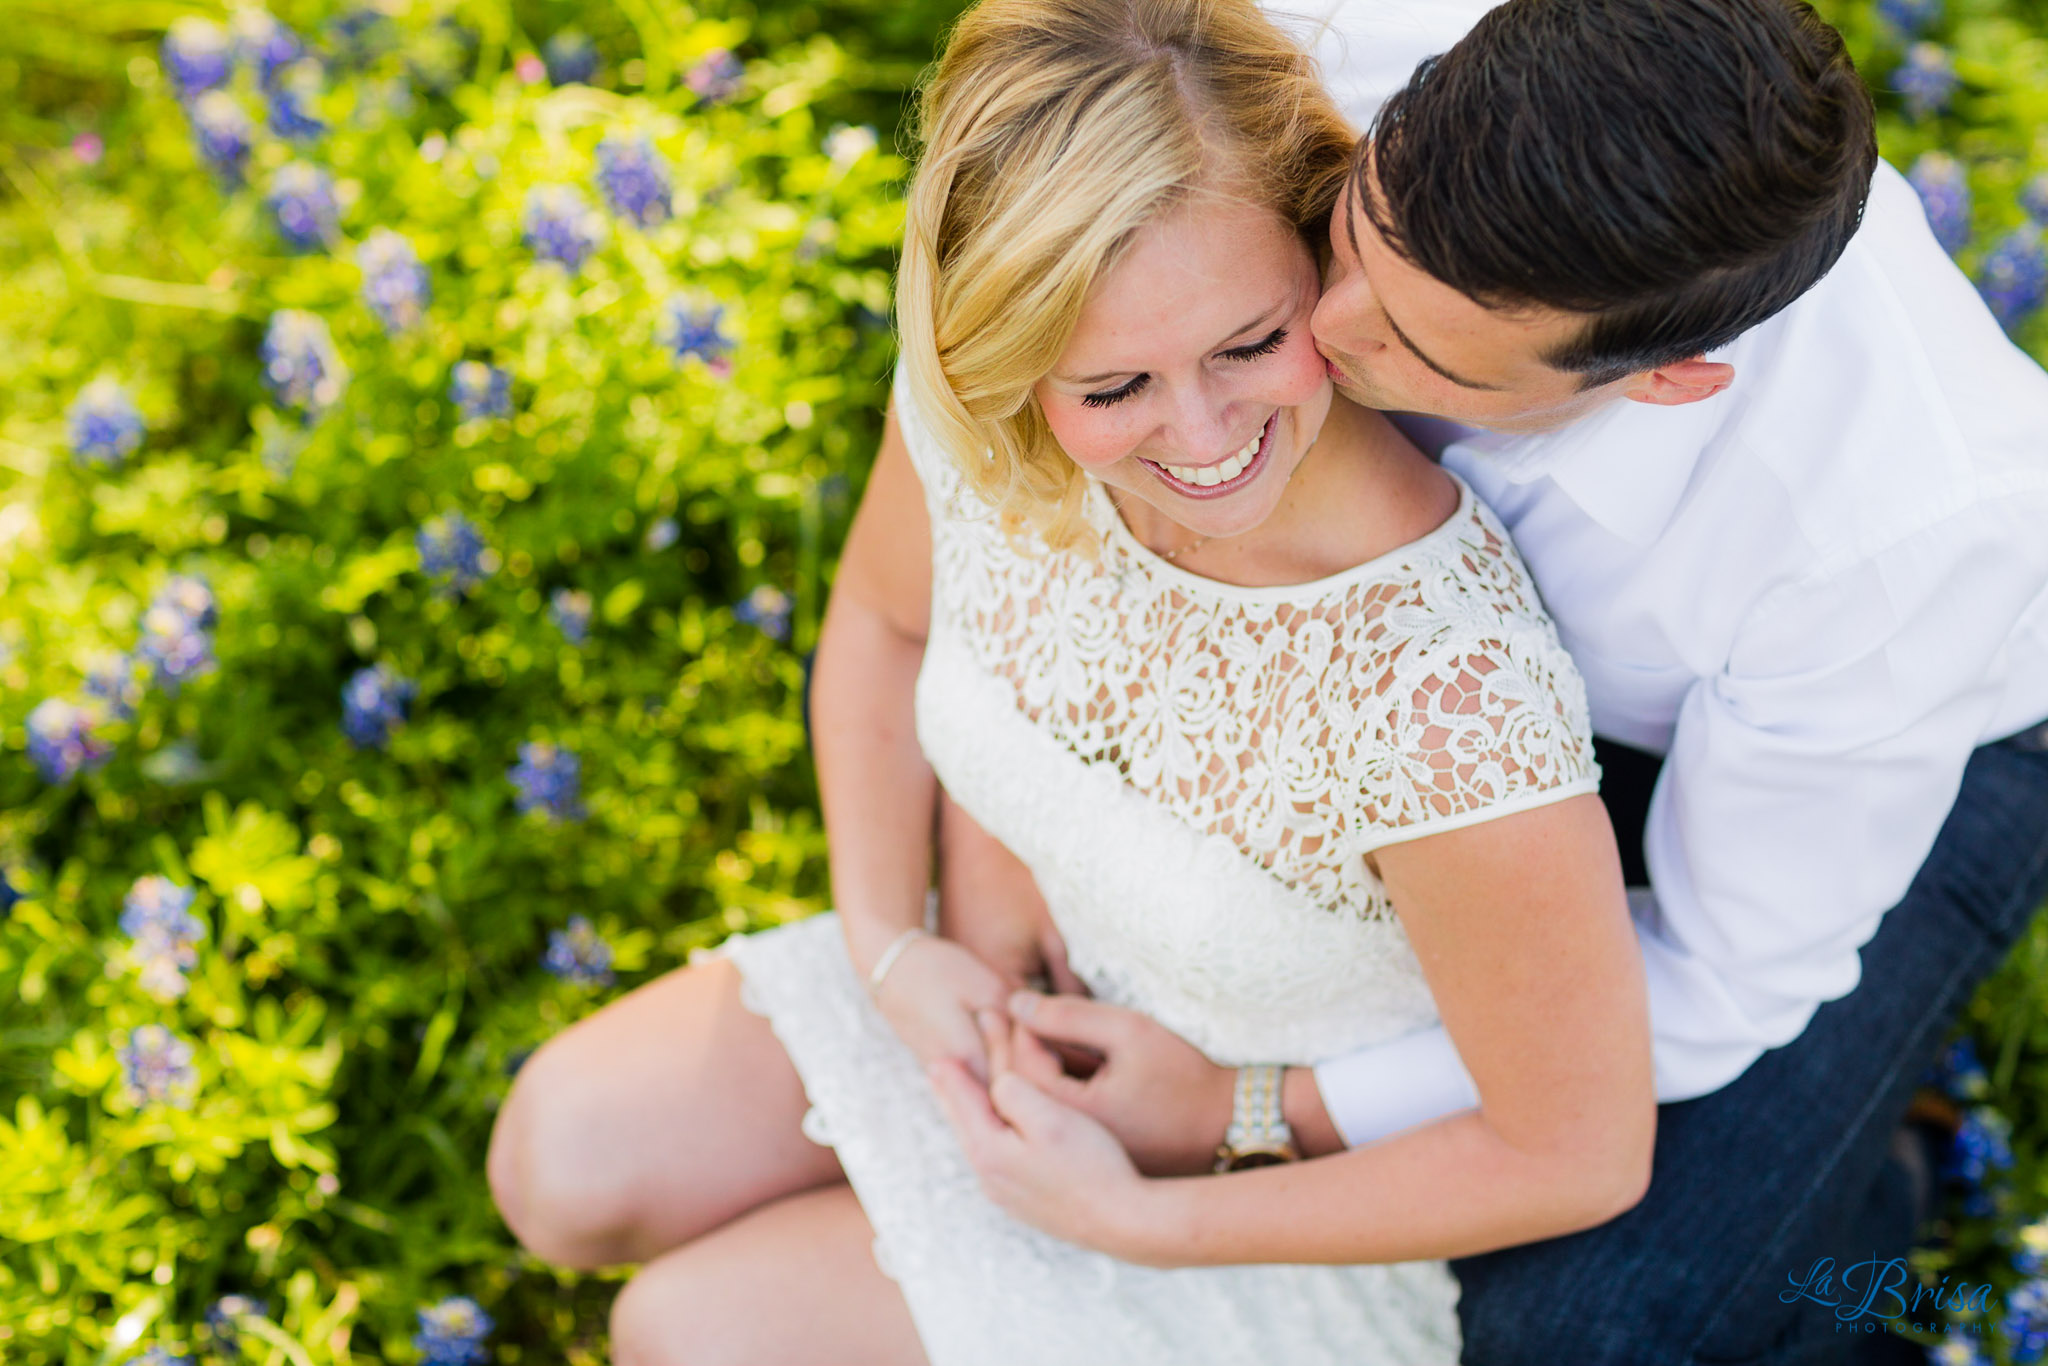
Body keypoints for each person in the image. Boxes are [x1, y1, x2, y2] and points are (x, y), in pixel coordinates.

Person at [485, 0, 1663, 1360]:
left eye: (1249, 341)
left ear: (1314, 244)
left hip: (1250, 1198)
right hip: (998, 1002)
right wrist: (896, 939)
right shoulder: (987, 418)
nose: (1207, 435)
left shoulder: (1443, 685)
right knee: (557, 1159)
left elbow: (1576, 1151)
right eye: (1114, 388)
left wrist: (1151, 1204)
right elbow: (880, 624)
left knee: (683, 1330)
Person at [931, 0, 2048, 1359]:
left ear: (1668, 381)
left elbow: (1720, 980)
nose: (1325, 335)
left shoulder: (1892, 542)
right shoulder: (1370, 42)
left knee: (1583, 1324)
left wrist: (1260, 1104)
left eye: (1427, 352)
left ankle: (1872, 1220)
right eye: (1351, 234)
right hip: (1453, 675)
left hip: (1888, 757)